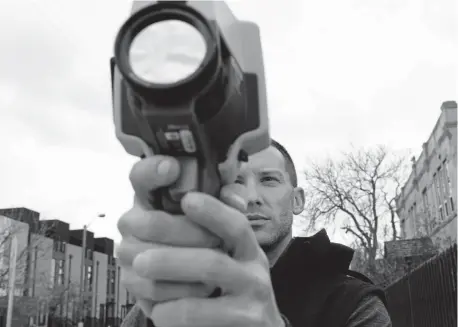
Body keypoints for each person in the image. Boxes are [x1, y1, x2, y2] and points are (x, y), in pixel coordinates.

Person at [117, 139, 392, 327]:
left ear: (297, 200)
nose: (251, 197)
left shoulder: (353, 302)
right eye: (236, 181)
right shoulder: (176, 296)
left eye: (269, 180)